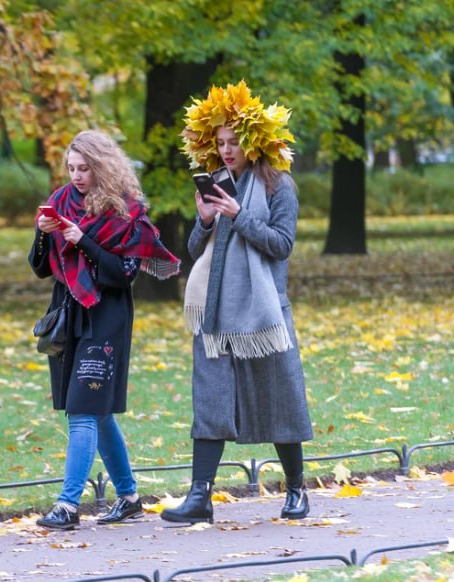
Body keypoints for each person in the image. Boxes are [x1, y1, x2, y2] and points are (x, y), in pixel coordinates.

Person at [161, 81, 313, 524]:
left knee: (280, 396)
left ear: (254, 142)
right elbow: (195, 249)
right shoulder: (218, 184)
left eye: (234, 142)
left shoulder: (279, 186)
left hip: (264, 313)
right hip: (214, 312)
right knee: (210, 398)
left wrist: (237, 215)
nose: (226, 150)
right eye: (220, 142)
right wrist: (206, 221)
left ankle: (297, 491)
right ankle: (199, 497)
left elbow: (281, 245)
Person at [28, 130, 181, 530]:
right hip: (68, 313)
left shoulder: (126, 212)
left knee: (82, 411)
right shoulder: (61, 202)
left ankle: (67, 505)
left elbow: (123, 275)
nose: (76, 176)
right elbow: (41, 267)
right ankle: (129, 497)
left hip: (106, 316)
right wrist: (43, 235)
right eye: (71, 168)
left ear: (102, 166)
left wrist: (84, 241)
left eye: (84, 169)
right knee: (98, 414)